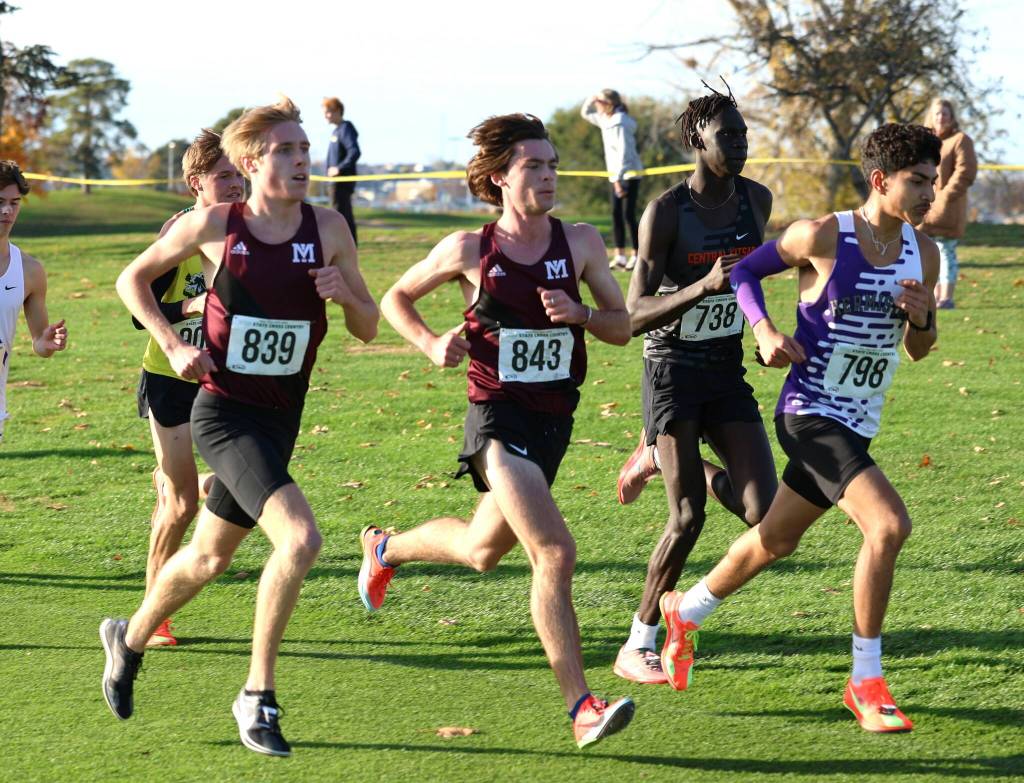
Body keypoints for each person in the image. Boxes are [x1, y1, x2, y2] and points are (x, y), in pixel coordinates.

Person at [101, 97, 379, 757]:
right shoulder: (216, 224)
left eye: (307, 150)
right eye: (287, 151)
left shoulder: (331, 227)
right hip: (223, 413)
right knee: (302, 539)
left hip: (281, 417)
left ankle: (129, 636)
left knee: (206, 557)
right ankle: (258, 693)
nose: (303, 161)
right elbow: (130, 280)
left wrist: (347, 295)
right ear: (251, 162)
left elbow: (368, 325)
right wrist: (171, 345)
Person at [364, 113, 635, 749]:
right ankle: (582, 709)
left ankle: (384, 549)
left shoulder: (584, 243)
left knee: (483, 551)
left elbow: (622, 327)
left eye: (552, 166)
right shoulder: (468, 250)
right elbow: (394, 298)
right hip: (495, 419)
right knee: (555, 552)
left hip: (553, 421)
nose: (547, 177)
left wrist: (583, 313)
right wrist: (432, 343)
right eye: (533, 167)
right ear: (499, 179)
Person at [658, 123, 940, 733]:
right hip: (809, 413)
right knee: (889, 525)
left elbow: (920, 349)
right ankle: (866, 682)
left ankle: (687, 611)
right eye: (917, 181)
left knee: (775, 540)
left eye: (933, 181)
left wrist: (922, 319)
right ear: (880, 179)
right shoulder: (822, 235)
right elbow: (742, 275)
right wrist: (763, 329)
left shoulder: (926, 252)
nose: (928, 193)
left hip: (859, 423)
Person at [610, 84, 777, 685]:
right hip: (672, 369)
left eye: (743, 134)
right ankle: (639, 640)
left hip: (726, 368)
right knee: (687, 517)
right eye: (726, 135)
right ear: (696, 142)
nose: (739, 144)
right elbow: (630, 316)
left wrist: (761, 329)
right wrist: (700, 289)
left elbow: (753, 278)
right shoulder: (666, 212)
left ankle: (657, 456)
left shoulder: (757, 200)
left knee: (766, 513)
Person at [132, 129, 245, 647]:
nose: (235, 185)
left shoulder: (250, 230)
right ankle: (153, 615)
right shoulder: (179, 233)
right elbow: (139, 313)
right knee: (179, 506)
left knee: (242, 484)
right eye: (224, 176)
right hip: (168, 378)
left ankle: (179, 478)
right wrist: (191, 311)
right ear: (196, 183)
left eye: (240, 175)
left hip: (222, 380)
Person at [0, 160, 68, 443]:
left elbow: (40, 344)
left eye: (14, 202)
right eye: (0, 201)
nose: (7, 210)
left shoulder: (29, 270)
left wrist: (46, 342)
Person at [918, 97, 977, 309]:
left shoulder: (961, 140)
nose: (941, 118)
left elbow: (966, 172)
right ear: (931, 117)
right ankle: (932, 296)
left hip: (948, 210)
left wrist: (944, 197)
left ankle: (947, 297)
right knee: (928, 253)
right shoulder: (925, 142)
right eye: (937, 114)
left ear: (952, 117)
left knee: (946, 252)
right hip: (924, 208)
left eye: (945, 114)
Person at [581, 90, 642, 270]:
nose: (597, 104)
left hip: (627, 174)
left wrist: (619, 179)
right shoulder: (605, 120)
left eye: (600, 101)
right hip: (615, 175)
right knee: (616, 215)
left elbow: (625, 153)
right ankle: (620, 256)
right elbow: (585, 113)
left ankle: (637, 255)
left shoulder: (620, 122)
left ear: (609, 103)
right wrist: (590, 98)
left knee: (628, 215)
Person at [323, 97, 361, 245]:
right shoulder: (336, 131)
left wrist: (339, 168)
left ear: (337, 111)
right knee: (340, 216)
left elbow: (354, 152)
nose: (325, 116)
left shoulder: (345, 128)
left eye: (328, 112)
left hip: (342, 182)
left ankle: (347, 249)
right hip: (335, 183)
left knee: (342, 217)